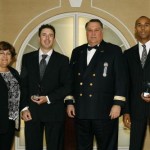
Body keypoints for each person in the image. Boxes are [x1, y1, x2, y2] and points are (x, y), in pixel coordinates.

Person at [65, 19, 127, 150]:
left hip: (105, 111)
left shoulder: (114, 51)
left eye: (96, 30)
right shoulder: (77, 52)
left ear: (102, 32)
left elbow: (121, 79)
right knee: (82, 147)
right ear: (86, 32)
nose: (93, 33)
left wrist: (118, 104)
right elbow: (70, 80)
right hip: (81, 111)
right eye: (90, 30)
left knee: (107, 147)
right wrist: (70, 102)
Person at [20, 24, 71, 150]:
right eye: (44, 35)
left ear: (54, 39)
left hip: (54, 112)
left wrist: (48, 98)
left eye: (50, 35)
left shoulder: (63, 60)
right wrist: (24, 108)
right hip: (31, 113)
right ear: (39, 38)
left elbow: (67, 86)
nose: (47, 38)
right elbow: (23, 85)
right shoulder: (27, 58)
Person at [123, 16, 150, 150]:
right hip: (136, 109)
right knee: (135, 146)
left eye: (146, 24)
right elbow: (125, 84)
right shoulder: (127, 54)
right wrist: (126, 111)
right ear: (135, 29)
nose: (143, 28)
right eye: (139, 25)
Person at [0, 41, 20, 150]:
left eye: (8, 54)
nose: (5, 56)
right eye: (2, 53)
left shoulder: (14, 73)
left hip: (10, 123)